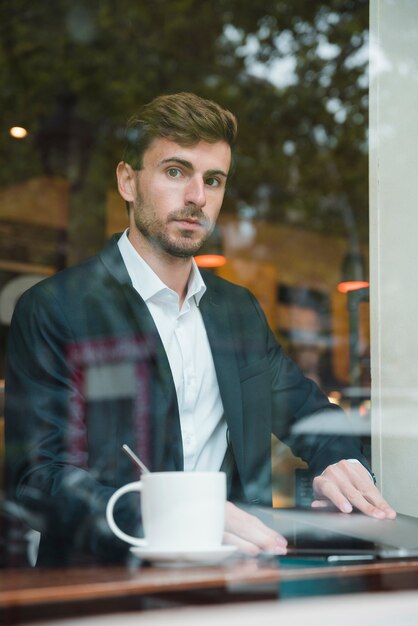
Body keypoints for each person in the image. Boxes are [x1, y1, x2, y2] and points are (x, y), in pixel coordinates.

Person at [4, 92, 395, 567]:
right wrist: (176, 515)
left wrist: (340, 462)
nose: (197, 197)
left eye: (213, 180)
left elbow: (308, 413)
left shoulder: (238, 310)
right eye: (175, 172)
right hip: (105, 583)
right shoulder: (55, 308)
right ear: (128, 181)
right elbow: (40, 479)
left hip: (237, 579)